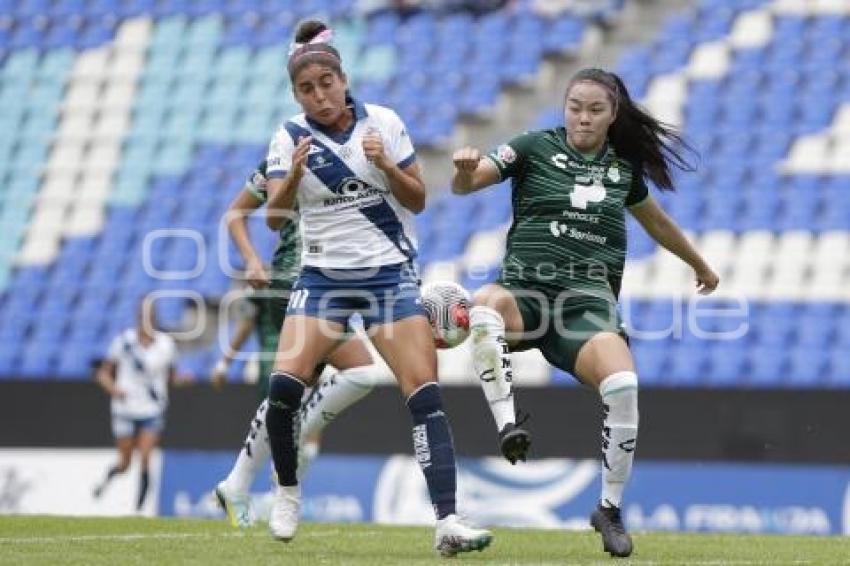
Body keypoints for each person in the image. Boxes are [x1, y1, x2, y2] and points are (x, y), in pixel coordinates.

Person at [450, 67, 720, 558]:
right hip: (526, 293)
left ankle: (609, 510)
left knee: (623, 385)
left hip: (587, 304)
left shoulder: (622, 169)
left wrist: (699, 264)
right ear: (565, 106)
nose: (583, 118)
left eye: (595, 110)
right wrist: (466, 170)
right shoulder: (532, 147)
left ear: (613, 115)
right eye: (575, 107)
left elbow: (657, 223)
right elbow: (470, 183)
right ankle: (509, 424)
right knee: (485, 304)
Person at [261, 20, 492, 557]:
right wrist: (292, 178)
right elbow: (273, 219)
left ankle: (448, 521)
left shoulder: (384, 122)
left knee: (425, 395)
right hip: (322, 280)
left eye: (326, 83)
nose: (319, 96)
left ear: (343, 78)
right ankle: (288, 492)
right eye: (306, 89)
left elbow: (417, 199)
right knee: (282, 391)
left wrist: (384, 163)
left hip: (389, 276)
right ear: (296, 94)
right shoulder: (289, 137)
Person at [212, 159, 379, 528]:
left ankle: (236, 483)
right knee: (362, 372)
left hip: (324, 287)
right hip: (292, 282)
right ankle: (285, 442)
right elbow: (235, 214)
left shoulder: (353, 157)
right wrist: (252, 260)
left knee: (288, 397)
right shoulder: (280, 159)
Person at [92, 297, 178, 512]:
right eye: (144, 314)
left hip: (152, 408)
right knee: (125, 462)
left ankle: (138, 510)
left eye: (151, 314)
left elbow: (172, 377)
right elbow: (103, 373)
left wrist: (183, 380)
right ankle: (109, 477)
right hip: (125, 408)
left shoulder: (166, 344)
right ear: (139, 316)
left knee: (146, 457)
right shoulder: (124, 342)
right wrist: (113, 389)